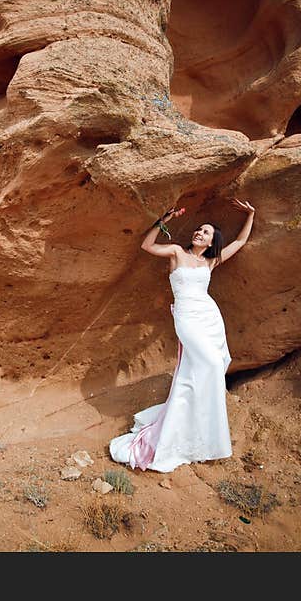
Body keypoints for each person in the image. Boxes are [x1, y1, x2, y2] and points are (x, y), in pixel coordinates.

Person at [109, 198, 256, 473]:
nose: (199, 233)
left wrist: (251, 215)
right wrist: (163, 220)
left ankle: (195, 424)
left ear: (212, 242)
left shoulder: (211, 262)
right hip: (187, 318)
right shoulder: (177, 252)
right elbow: (147, 246)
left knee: (203, 370)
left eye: (206, 232)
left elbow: (239, 243)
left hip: (209, 317)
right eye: (199, 230)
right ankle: (189, 426)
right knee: (211, 365)